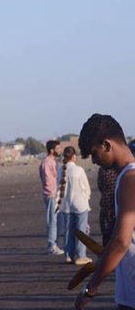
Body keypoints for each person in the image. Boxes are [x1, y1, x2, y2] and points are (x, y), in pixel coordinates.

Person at [75, 114, 135, 310]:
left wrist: (90, 289)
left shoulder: (129, 178)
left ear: (107, 145)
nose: (93, 161)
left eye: (94, 153)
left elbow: (121, 241)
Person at [56, 147, 92, 265]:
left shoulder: (61, 170)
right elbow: (86, 187)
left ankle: (69, 255)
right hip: (79, 203)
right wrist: (87, 198)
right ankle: (81, 255)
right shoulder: (78, 170)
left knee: (68, 231)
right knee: (81, 230)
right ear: (73, 157)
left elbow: (58, 186)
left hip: (66, 204)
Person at [40, 140, 64, 255]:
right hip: (51, 195)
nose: (60, 150)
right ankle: (51, 246)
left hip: (55, 194)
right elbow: (48, 180)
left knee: (57, 220)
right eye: (58, 148)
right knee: (52, 220)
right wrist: (54, 193)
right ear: (52, 150)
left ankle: (54, 244)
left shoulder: (53, 162)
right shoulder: (47, 162)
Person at [98, 165, 118, 246]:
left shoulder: (102, 169)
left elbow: (100, 185)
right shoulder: (119, 170)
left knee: (106, 235)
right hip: (116, 203)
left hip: (105, 202)